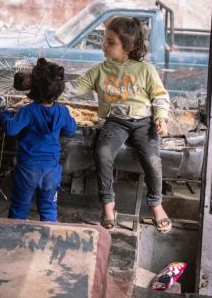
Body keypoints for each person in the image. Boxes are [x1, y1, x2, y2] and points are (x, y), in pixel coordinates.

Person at [65, 17, 172, 233]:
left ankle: (156, 204)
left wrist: (160, 117)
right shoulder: (100, 71)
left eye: (110, 42)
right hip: (115, 122)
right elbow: (75, 87)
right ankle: (108, 205)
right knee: (102, 153)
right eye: (104, 40)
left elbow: (160, 96)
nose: (104, 45)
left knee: (152, 160)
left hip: (144, 122)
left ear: (129, 47)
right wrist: (46, 87)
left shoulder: (145, 70)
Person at [0, 58, 77, 222]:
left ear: (33, 88)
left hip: (27, 170)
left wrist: (5, 115)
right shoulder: (62, 111)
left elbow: (11, 129)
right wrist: (65, 118)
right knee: (49, 209)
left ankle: (11, 238)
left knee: (19, 209)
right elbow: (71, 130)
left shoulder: (27, 111)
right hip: (51, 170)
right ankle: (48, 241)